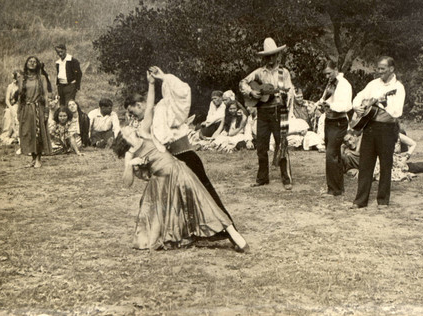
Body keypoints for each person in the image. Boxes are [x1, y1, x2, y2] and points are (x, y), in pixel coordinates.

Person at [116, 71, 249, 252]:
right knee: (183, 203)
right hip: (170, 165)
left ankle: (231, 231)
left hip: (184, 156)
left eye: (133, 112)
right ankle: (197, 233)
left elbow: (182, 94)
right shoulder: (144, 128)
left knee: (206, 197)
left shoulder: (164, 108)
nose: (134, 118)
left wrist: (158, 79)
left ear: (139, 105)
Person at [351, 56, 406, 209]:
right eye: (378, 68)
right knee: (365, 164)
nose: (379, 71)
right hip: (369, 127)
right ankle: (360, 201)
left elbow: (396, 111)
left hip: (387, 129)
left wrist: (381, 102)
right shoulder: (373, 84)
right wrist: (357, 107)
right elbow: (359, 96)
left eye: (382, 69)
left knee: (385, 165)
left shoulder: (398, 88)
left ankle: (382, 200)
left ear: (391, 69)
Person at [239, 37, 294, 190]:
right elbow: (242, 82)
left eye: (273, 55)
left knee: (282, 144)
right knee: (261, 146)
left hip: (278, 112)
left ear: (278, 55)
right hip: (262, 112)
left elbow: (290, 91)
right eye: (267, 56)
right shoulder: (258, 73)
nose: (270, 59)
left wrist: (285, 96)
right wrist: (252, 93)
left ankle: (286, 178)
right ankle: (262, 177)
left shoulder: (285, 73)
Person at [318, 61, 353, 196]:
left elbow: (347, 106)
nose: (327, 76)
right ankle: (338, 188)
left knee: (330, 154)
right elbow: (323, 99)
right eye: (325, 74)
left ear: (336, 69)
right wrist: (318, 105)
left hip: (339, 122)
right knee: (334, 154)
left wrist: (330, 106)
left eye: (329, 73)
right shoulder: (330, 84)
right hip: (329, 121)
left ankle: (333, 189)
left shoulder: (344, 85)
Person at [18, 56, 52, 167]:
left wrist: (46, 110)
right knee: (29, 133)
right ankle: (33, 158)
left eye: (34, 62)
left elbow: (46, 95)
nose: (32, 63)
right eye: (30, 61)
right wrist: (19, 112)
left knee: (38, 133)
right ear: (26, 63)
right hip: (26, 109)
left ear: (37, 64)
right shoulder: (22, 78)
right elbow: (20, 97)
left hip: (38, 108)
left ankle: (38, 159)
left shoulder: (41, 78)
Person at [0, 71, 20, 144]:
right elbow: (7, 100)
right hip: (12, 105)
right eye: (18, 77)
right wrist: (11, 107)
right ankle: (7, 134)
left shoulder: (23, 86)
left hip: (21, 106)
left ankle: (16, 135)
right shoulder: (10, 86)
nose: (19, 79)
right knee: (9, 112)